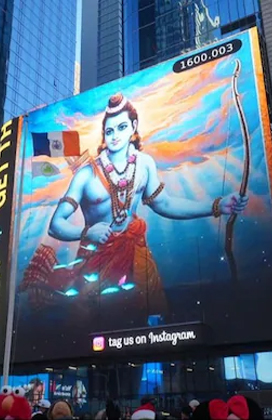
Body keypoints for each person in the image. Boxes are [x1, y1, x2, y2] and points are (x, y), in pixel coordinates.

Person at [38, 93, 249, 319]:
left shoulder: (144, 163)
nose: (115, 136)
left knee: (149, 316)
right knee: (96, 322)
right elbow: (55, 225)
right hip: (95, 260)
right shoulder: (86, 174)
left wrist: (217, 206)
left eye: (121, 127)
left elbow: (164, 203)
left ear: (133, 126)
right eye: (109, 131)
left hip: (135, 251)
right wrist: (87, 232)